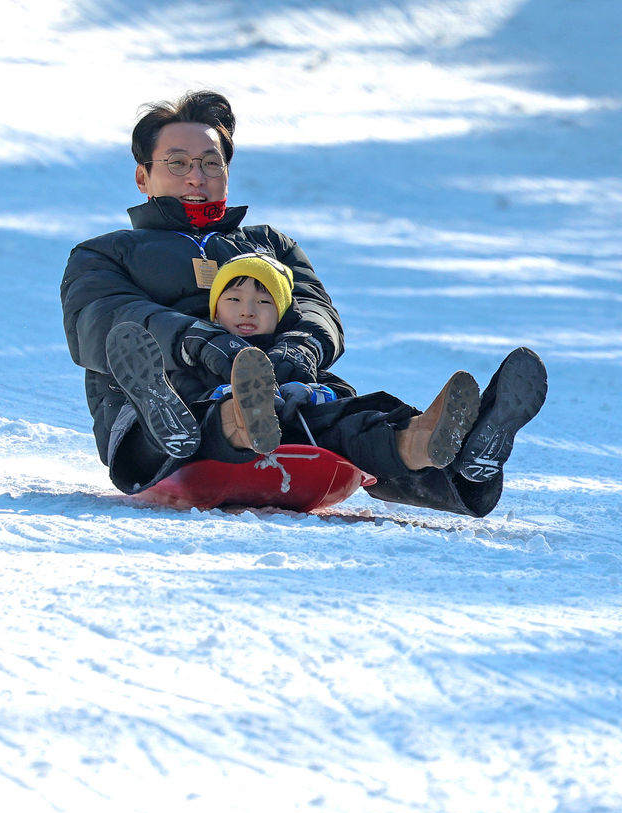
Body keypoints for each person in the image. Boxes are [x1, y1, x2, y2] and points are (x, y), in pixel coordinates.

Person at [61, 90, 547, 517]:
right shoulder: (104, 254)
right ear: (143, 177)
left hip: (277, 381)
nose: (197, 176)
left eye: (211, 163)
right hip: (168, 392)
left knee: (347, 418)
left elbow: (316, 308)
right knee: (200, 406)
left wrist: (299, 350)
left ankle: (436, 443)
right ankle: (232, 419)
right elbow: (102, 318)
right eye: (178, 162)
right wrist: (200, 341)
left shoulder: (269, 244)